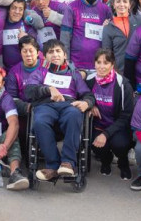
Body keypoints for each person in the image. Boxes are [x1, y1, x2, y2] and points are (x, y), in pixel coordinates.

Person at [25, 39, 95, 181]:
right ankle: (53, 166)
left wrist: (87, 103)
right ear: (45, 57)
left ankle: (68, 163)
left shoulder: (74, 74)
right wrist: (48, 89)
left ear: (64, 55)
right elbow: (29, 90)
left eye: (58, 51)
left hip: (68, 105)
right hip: (46, 105)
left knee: (75, 114)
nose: (55, 54)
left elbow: (88, 94)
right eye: (51, 52)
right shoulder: (41, 71)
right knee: (39, 122)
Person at [84, 49, 135, 179]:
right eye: (98, 62)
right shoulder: (89, 80)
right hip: (98, 126)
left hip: (118, 127)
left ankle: (123, 163)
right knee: (95, 144)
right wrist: (90, 104)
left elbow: (126, 115)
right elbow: (82, 95)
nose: (101, 66)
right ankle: (105, 160)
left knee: (120, 145)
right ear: (94, 64)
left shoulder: (123, 84)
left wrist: (106, 134)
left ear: (112, 65)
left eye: (105, 63)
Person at [61, 0, 113, 71]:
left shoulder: (105, 9)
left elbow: (111, 36)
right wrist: (65, 59)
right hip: (76, 64)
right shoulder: (72, 7)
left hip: (99, 65)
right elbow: (65, 36)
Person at [102, 0, 141, 74]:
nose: (122, 4)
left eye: (125, 1)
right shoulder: (108, 27)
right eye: (118, 1)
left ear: (130, 5)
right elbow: (107, 53)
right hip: (120, 73)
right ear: (113, 5)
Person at [5, 35, 43, 117]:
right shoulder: (14, 72)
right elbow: (11, 98)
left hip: (46, 107)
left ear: (38, 52)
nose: (28, 54)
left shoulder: (47, 66)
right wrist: (26, 107)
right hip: (26, 110)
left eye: (31, 51)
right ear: (20, 53)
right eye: (25, 51)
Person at [2, 0, 39, 68]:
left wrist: (28, 38)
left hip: (23, 71)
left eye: (20, 9)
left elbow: (39, 46)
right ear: (9, 10)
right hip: (6, 70)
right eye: (14, 8)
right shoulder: (1, 24)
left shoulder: (27, 25)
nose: (17, 12)